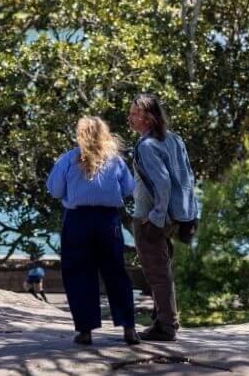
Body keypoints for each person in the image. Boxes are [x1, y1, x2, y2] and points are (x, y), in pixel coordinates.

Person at [46, 116, 140, 346]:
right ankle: (129, 328)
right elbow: (129, 188)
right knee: (116, 273)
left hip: (77, 220)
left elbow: (55, 190)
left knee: (79, 274)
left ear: (80, 135)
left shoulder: (68, 159)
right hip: (108, 221)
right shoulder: (115, 161)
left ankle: (86, 331)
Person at [129, 94, 199, 342]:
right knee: (163, 269)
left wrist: (155, 217)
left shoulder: (147, 146)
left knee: (157, 271)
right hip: (176, 216)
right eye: (131, 112)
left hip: (151, 217)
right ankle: (164, 320)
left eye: (136, 113)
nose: (131, 117)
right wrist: (190, 212)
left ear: (149, 117)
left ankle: (166, 326)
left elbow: (164, 182)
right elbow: (187, 177)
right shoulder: (175, 139)